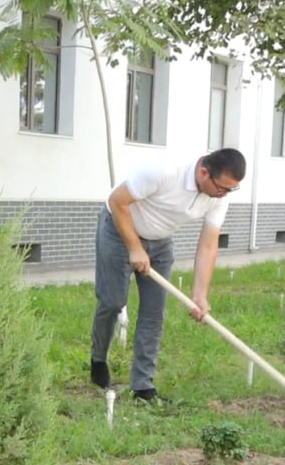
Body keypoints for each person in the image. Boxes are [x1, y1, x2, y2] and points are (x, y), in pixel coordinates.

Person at [89, 148, 246, 401]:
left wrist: (200, 295)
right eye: (222, 188)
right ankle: (98, 359)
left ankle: (142, 387)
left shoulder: (219, 196)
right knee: (113, 301)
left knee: (153, 313)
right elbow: (118, 201)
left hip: (160, 242)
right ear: (204, 172)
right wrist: (134, 247)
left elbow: (208, 244)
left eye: (231, 190)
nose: (224, 195)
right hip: (119, 229)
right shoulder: (164, 169)